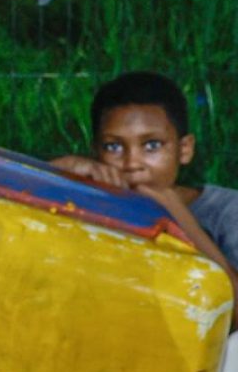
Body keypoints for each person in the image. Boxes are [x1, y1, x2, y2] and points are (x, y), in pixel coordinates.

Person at [52, 71, 238, 296]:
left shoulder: (226, 211)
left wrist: (180, 218)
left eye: (152, 145)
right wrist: (54, 174)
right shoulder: (86, 202)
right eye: (114, 147)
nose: (131, 164)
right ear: (95, 152)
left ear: (184, 149)